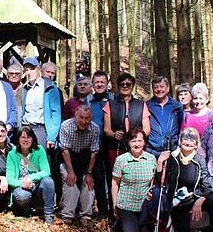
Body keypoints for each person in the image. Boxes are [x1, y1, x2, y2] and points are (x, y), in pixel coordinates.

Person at [164, 128, 213, 232]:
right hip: (179, 201)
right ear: (180, 141)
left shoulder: (200, 160)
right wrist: (160, 162)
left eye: (192, 140)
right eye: (185, 139)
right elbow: (162, 181)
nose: (188, 142)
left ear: (196, 144)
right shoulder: (173, 159)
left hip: (195, 196)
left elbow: (207, 186)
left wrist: (200, 200)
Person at [111, 129, 157, 232]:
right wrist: (114, 205)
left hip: (144, 207)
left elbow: (154, 181)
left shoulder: (151, 159)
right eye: (133, 141)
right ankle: (121, 224)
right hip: (126, 206)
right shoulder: (121, 160)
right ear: (128, 143)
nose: (137, 144)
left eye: (139, 141)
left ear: (144, 142)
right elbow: (115, 183)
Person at [58, 105, 100, 222]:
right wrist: (71, 171)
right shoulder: (66, 126)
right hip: (69, 158)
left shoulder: (95, 129)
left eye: (87, 118)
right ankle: (68, 214)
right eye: (81, 117)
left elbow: (94, 152)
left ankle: (86, 215)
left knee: (88, 184)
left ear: (91, 118)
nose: (83, 121)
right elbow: (64, 150)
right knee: (70, 181)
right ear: (75, 116)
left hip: (86, 159)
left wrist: (89, 173)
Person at [6, 126, 56, 224]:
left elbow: (46, 171)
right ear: (18, 139)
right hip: (22, 187)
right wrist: (22, 183)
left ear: (33, 138)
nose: (26, 140)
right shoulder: (12, 154)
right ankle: (25, 210)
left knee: (48, 181)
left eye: (28, 137)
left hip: (37, 186)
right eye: (23, 137)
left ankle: (49, 215)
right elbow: (10, 179)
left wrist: (31, 178)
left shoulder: (39, 150)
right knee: (21, 195)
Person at [103, 72, 150, 173]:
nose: (125, 86)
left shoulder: (141, 105)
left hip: (137, 147)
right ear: (118, 86)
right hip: (116, 147)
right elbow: (107, 129)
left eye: (128, 84)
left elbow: (147, 129)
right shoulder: (110, 104)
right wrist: (114, 134)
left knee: (137, 175)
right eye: (122, 84)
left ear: (132, 86)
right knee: (117, 176)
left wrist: (137, 139)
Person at [19, 57, 62, 150]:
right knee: (26, 162)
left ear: (39, 70)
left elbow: (56, 114)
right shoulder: (24, 89)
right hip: (25, 129)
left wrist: (52, 137)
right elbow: (21, 111)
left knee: (42, 162)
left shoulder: (50, 88)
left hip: (41, 130)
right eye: (26, 70)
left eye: (32, 69)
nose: (29, 72)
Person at [89, 71, 113, 218]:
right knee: (98, 178)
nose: (99, 85)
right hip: (94, 146)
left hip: (111, 145)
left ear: (107, 83)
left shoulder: (114, 99)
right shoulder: (88, 101)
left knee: (112, 178)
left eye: (102, 82)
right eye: (96, 82)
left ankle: (113, 210)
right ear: (93, 84)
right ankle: (103, 212)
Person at [145, 76, 182, 162]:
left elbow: (180, 126)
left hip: (171, 150)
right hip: (152, 151)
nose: (159, 89)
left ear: (168, 88)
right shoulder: (147, 106)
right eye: (155, 87)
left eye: (162, 86)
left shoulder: (176, 106)